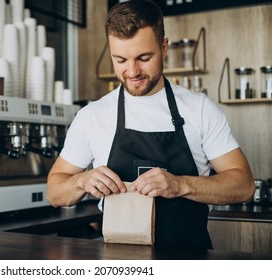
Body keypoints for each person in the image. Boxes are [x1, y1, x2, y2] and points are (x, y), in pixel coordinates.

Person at [47, 0, 255, 249]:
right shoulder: (93, 115)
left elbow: (244, 186)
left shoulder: (199, 109)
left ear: (164, 47)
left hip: (190, 258)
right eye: (120, 60)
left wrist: (181, 184)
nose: (132, 71)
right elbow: (54, 192)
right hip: (118, 263)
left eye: (144, 57)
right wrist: (82, 180)